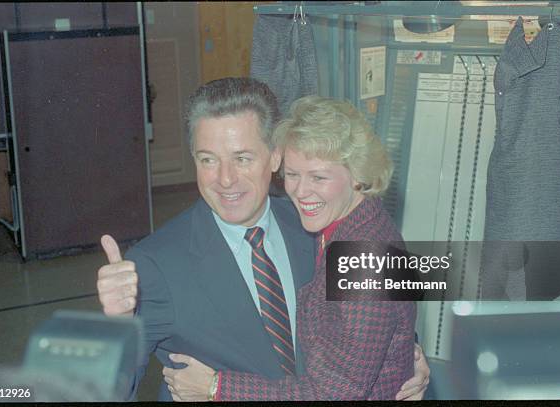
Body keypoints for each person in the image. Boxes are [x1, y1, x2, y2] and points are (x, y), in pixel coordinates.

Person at [96, 78, 429, 401]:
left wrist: (405, 355)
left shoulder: (314, 222)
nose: (225, 179)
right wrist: (117, 326)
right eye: (208, 159)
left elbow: (369, 318)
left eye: (242, 158)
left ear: (275, 157)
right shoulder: (155, 264)